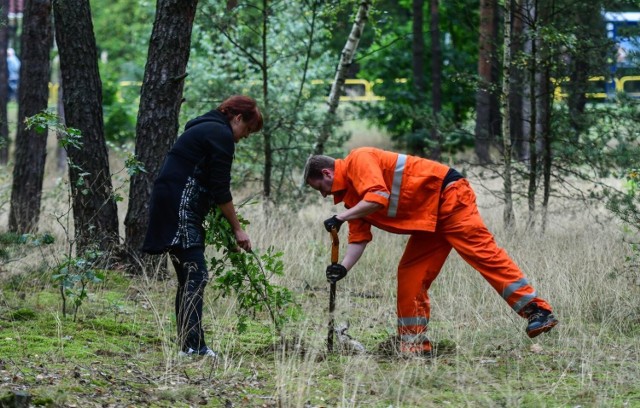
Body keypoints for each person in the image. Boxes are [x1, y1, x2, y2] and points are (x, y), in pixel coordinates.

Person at [304, 147, 558, 354]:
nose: (324, 195)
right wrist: (343, 268)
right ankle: (414, 345)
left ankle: (538, 310)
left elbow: (378, 195)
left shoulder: (360, 159)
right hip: (429, 221)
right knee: (410, 275)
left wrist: (341, 217)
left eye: (319, 188)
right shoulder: (351, 200)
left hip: (450, 196)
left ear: (327, 173)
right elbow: (359, 239)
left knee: (482, 254)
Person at [142, 95, 263, 358]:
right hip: (180, 205)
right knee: (195, 275)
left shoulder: (204, 127)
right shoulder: (220, 134)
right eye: (247, 130)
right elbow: (220, 188)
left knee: (189, 278)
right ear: (237, 117)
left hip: (172, 201)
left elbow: (207, 180)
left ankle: (190, 345)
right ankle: (193, 347)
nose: (244, 136)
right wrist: (237, 229)